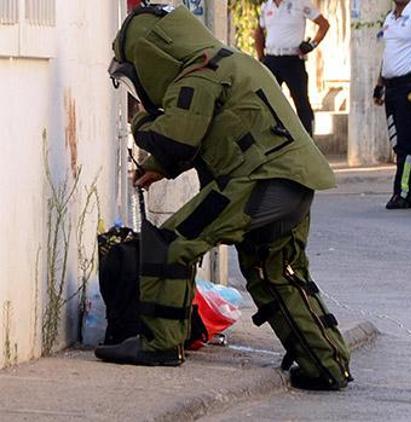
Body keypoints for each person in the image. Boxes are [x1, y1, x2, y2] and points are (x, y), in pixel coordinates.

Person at [96, 4, 351, 391]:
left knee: (172, 243)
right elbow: (203, 134)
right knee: (276, 273)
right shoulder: (228, 61)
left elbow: (175, 138)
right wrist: (160, 166)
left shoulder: (199, 72)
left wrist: (140, 120)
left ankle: (160, 345)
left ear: (151, 56)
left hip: (258, 182)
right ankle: (326, 364)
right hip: (295, 181)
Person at [373, 0, 411, 209]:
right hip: (391, 88)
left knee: (407, 145)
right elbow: (388, 54)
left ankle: (403, 191)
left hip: (409, 87)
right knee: (398, 142)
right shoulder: (389, 19)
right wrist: (379, 84)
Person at [253, 0, 329, 136]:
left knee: (301, 101)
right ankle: (271, 137)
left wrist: (312, 45)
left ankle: (308, 138)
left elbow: (324, 24)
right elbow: (259, 32)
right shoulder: (266, 6)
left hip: (293, 60)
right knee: (266, 100)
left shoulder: (300, 3)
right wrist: (261, 57)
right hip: (271, 58)